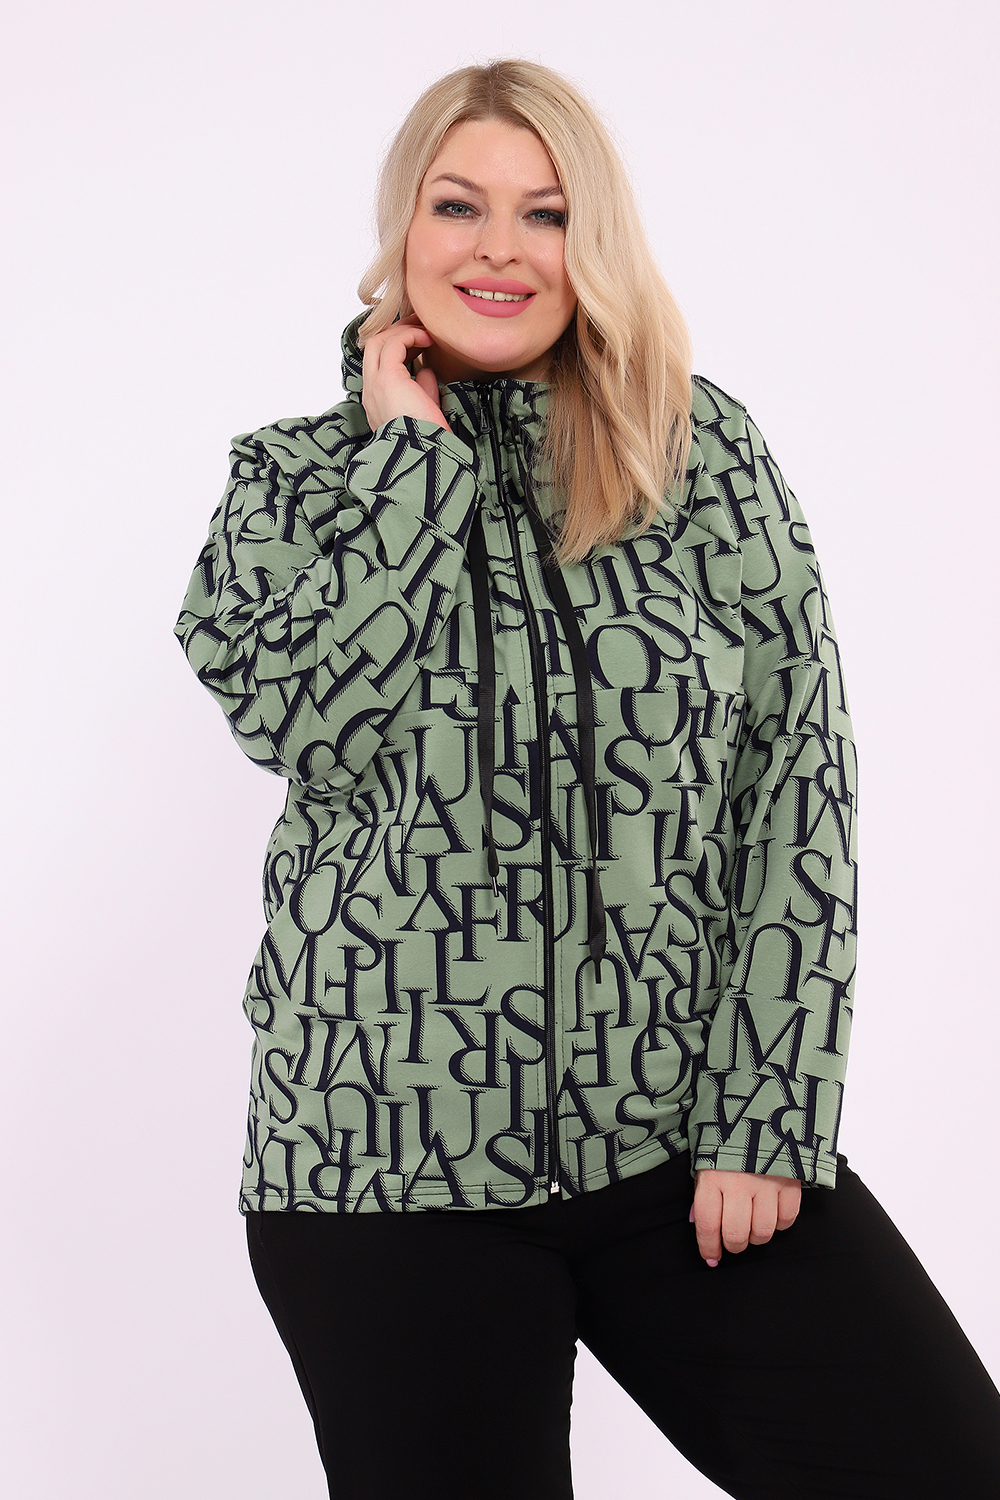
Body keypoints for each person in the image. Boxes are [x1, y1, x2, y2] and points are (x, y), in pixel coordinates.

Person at [174, 57, 1000, 1500]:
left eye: (545, 213)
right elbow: (307, 720)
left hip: (678, 1149)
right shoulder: (292, 483)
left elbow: (794, 785)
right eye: (458, 205)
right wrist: (412, 468)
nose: (498, 247)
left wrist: (769, 1111)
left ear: (591, 241)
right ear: (403, 229)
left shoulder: (699, 454)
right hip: (385, 1172)